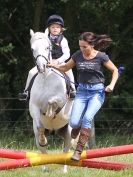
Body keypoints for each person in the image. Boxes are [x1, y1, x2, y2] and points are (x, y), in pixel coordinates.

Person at [48, 32, 119, 161]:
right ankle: (79, 126)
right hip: (81, 92)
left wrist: (112, 85)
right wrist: (55, 66)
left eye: (84, 47)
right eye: (80, 46)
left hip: (97, 92)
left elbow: (115, 70)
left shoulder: (101, 57)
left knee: (87, 118)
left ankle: (78, 151)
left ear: (92, 45)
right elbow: (65, 67)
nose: (82, 49)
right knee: (74, 122)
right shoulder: (77, 55)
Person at [18, 14, 76, 101]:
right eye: (53, 27)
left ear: (61, 29)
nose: (55, 29)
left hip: (60, 62)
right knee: (31, 72)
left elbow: (67, 54)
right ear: (49, 28)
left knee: (69, 71)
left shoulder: (63, 40)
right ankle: (26, 92)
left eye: (57, 27)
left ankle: (72, 90)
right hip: (46, 62)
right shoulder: (44, 38)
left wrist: (58, 61)